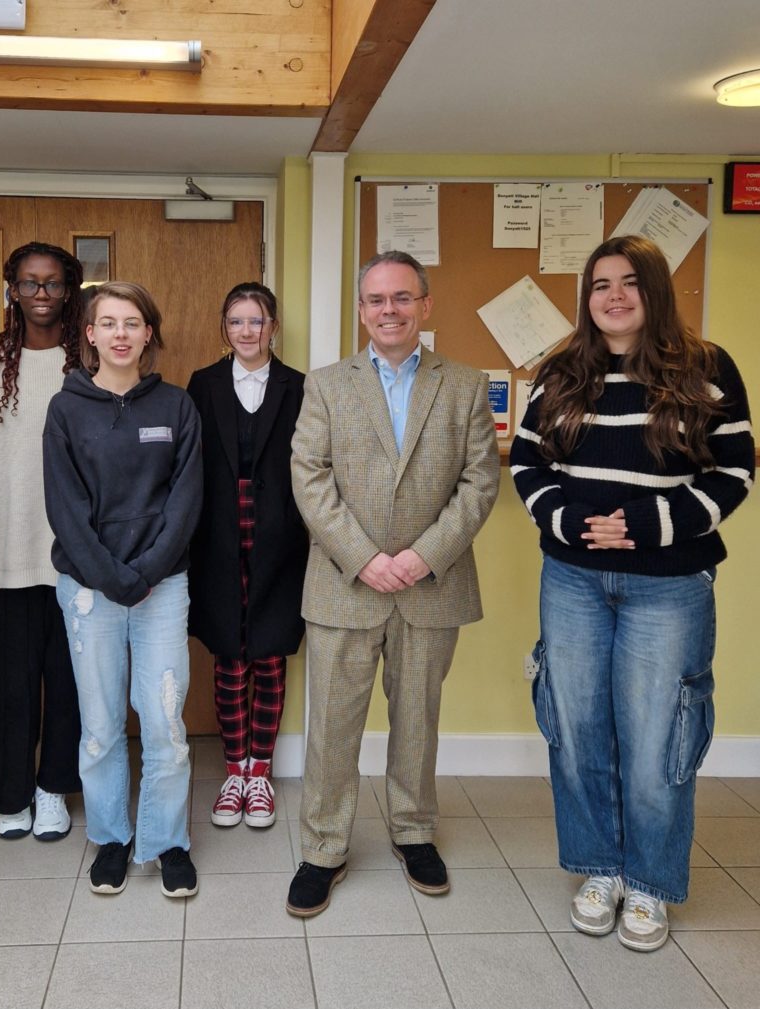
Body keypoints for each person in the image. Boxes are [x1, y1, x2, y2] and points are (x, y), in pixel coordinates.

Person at [510, 234, 754, 952]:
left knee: (656, 741)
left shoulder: (706, 368)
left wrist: (649, 522)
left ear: (654, 290)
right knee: (577, 729)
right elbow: (528, 460)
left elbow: (734, 470)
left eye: (628, 283)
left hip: (670, 584)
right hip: (574, 578)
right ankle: (599, 869)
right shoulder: (561, 371)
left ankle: (649, 883)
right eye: (598, 285)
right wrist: (571, 519)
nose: (612, 296)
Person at [286, 250, 500, 918]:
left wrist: (422, 556)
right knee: (331, 726)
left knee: (417, 721)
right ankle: (323, 846)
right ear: (360, 310)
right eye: (376, 299)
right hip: (344, 584)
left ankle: (413, 831)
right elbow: (309, 478)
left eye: (402, 298)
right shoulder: (325, 385)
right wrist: (364, 557)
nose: (389, 310)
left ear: (425, 305)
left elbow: (479, 481)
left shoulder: (464, 384)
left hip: (430, 584)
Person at [43, 281, 203, 898]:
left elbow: (186, 501)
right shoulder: (66, 409)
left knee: (164, 722)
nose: (119, 334)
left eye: (131, 323)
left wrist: (146, 573)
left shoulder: (177, 407)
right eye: (107, 323)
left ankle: (165, 843)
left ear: (148, 334)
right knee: (102, 724)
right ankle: (111, 838)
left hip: (162, 586)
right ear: (89, 334)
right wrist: (112, 576)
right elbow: (65, 505)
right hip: (89, 588)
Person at [0, 241, 84, 841]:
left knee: (69, 680)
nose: (40, 294)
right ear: (10, 290)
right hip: (3, 553)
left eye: (52, 283)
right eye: (29, 283)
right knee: (10, 684)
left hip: (75, 555)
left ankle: (54, 787)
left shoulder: (86, 360)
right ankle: (10, 796)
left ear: (68, 290)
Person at [187, 282, 307, 829]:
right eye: (236, 321)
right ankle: (234, 770)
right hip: (217, 538)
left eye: (256, 321)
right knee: (229, 659)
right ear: (225, 328)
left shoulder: (300, 387)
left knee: (270, 656)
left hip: (280, 538)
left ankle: (261, 774)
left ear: (272, 326)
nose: (246, 331)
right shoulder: (203, 384)